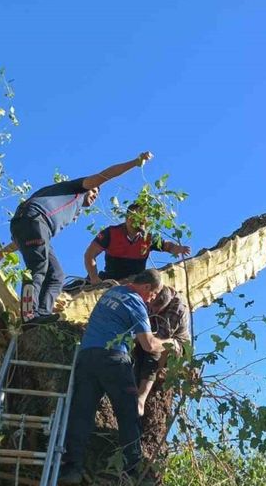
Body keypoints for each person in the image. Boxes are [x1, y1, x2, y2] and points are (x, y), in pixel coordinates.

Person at [0, 152, 152, 321]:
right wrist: (135, 162)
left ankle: (42, 315)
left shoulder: (64, 206)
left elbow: (25, 235)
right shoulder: (76, 189)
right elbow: (105, 175)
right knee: (38, 267)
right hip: (35, 221)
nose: (95, 195)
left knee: (56, 275)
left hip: (32, 227)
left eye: (97, 195)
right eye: (93, 191)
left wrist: (1, 253)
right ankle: (28, 316)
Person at [58, 269, 181, 484]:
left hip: (87, 358)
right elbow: (149, 344)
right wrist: (170, 343)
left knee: (82, 413)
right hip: (113, 359)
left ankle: (72, 467)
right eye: (153, 294)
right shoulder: (135, 302)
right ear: (145, 288)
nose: (152, 300)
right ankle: (133, 469)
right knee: (129, 411)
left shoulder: (111, 293)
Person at [83, 203, 191, 285]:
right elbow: (90, 255)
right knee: (77, 287)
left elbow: (166, 245)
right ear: (127, 218)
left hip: (137, 283)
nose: (139, 220)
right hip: (111, 281)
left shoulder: (148, 238)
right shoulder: (110, 233)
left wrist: (178, 248)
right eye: (135, 216)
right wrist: (94, 278)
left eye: (142, 217)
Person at [134, 285, 191, 416]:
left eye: (155, 309)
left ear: (164, 306)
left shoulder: (177, 308)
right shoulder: (154, 291)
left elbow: (159, 339)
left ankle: (141, 398)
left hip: (177, 346)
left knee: (159, 348)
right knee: (141, 350)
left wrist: (143, 340)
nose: (151, 309)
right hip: (152, 334)